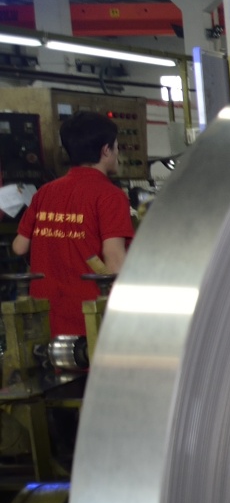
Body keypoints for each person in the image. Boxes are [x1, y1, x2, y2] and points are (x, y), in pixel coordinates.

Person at [11, 113, 133, 336]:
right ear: (106, 150)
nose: (118, 153)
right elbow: (114, 258)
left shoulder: (45, 192)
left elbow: (19, 247)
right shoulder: (110, 196)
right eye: (116, 147)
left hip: (43, 316)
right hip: (89, 319)